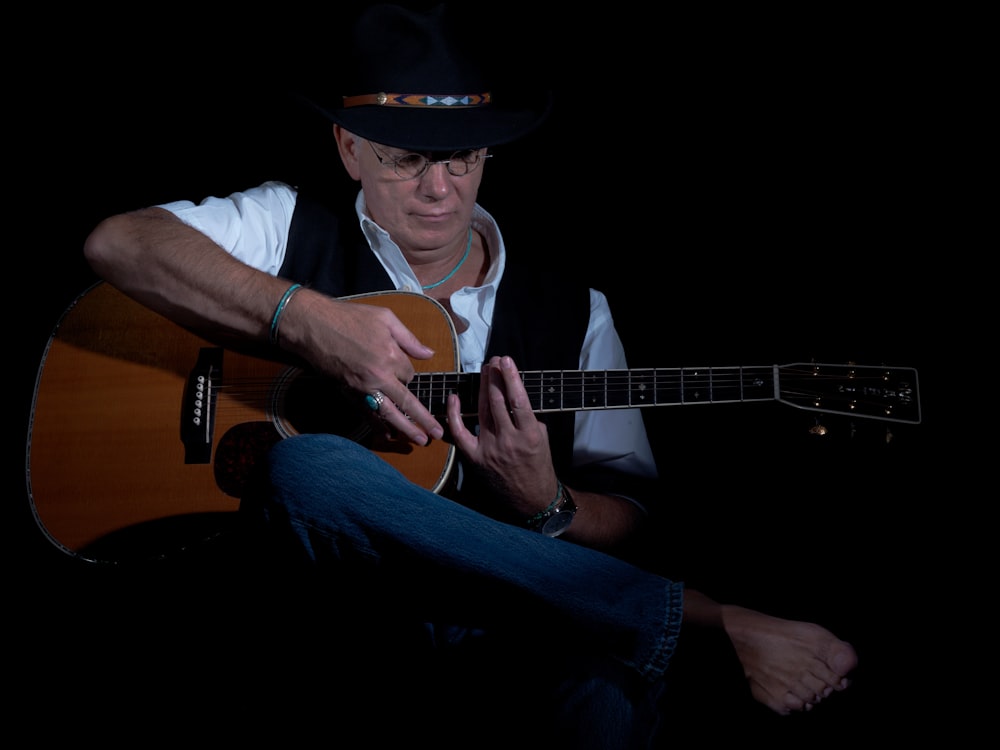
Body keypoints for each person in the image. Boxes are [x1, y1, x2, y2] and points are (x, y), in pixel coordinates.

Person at [82, 3, 858, 746]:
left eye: (460, 158)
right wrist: (305, 320)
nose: (437, 188)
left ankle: (641, 623)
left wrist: (547, 503)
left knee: (603, 689)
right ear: (349, 147)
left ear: (488, 154)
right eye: (405, 158)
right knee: (309, 465)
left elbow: (632, 514)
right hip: (317, 614)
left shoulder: (575, 312)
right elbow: (122, 242)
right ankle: (697, 622)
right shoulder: (284, 222)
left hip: (505, 627)